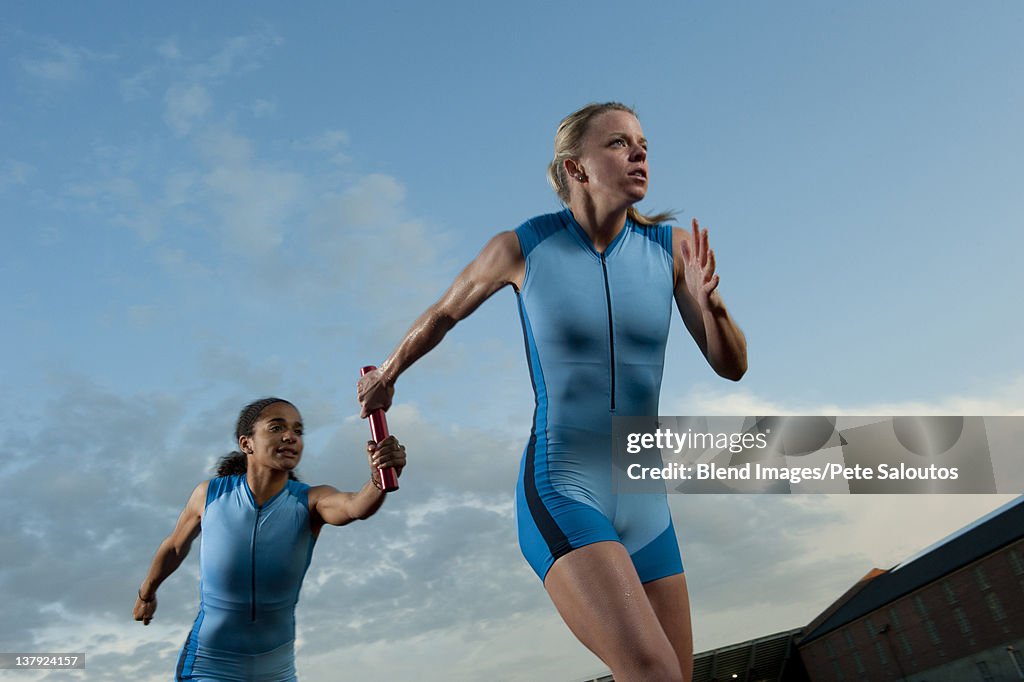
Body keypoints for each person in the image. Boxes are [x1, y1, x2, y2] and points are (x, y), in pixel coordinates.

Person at [358, 102, 746, 682]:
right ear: (575, 168)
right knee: (653, 672)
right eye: (618, 143)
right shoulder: (522, 246)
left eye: (642, 142)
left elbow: (730, 366)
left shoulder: (673, 251)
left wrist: (711, 303)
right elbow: (444, 312)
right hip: (564, 484)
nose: (639, 152)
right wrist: (386, 375)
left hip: (645, 496)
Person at [133, 397, 407, 681]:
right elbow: (175, 546)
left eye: (298, 431)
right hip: (210, 664)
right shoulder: (209, 495)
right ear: (246, 443)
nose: (290, 436)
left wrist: (378, 479)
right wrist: (147, 593)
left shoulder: (311, 501)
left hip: (276, 671)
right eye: (276, 428)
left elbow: (355, 506)